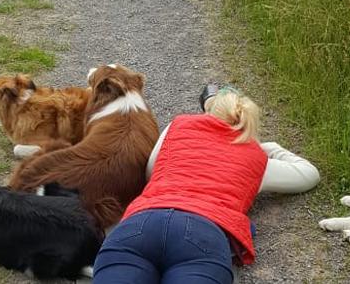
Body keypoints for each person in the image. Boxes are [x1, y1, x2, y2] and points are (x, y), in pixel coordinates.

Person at [93, 84, 320, 284]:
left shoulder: (179, 126)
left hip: (141, 222)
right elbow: (309, 175)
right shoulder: (256, 157)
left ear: (207, 112)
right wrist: (269, 147)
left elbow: (152, 169)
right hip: (202, 232)